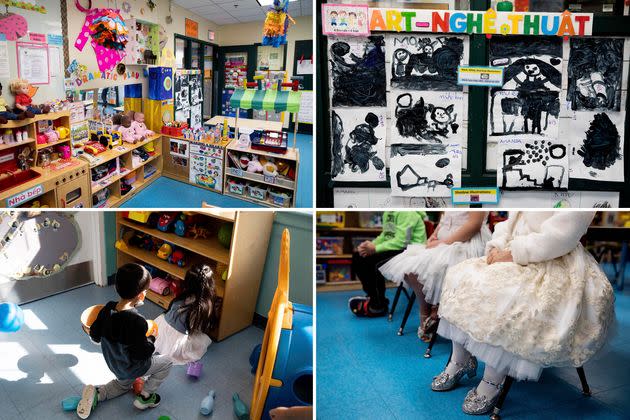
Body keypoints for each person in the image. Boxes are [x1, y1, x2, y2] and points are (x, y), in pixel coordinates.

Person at [431, 211, 615, 415]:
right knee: (461, 276)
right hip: (512, 251)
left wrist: (514, 253)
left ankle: (493, 377)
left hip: (555, 258)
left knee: (507, 295)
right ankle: (460, 359)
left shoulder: (583, 192)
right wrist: (498, 245)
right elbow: (512, 219)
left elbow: (563, 234)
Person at [77, 263, 173, 419]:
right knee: (166, 362)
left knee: (122, 385)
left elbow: (95, 335)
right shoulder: (137, 322)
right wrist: (151, 337)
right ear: (141, 295)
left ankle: (99, 394)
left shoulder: (107, 309)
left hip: (114, 364)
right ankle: (146, 397)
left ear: (116, 287)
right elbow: (142, 354)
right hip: (132, 366)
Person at [379, 211, 490, 341]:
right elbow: (445, 217)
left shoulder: (475, 191)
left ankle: (434, 310)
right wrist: (433, 235)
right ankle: (429, 309)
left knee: (435, 266)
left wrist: (441, 243)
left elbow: (474, 225)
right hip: (443, 240)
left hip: (467, 242)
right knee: (409, 266)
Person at [349, 211, 427, 317]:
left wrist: (375, 249)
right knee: (358, 256)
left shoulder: (407, 213)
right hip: (398, 248)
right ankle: (374, 298)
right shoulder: (388, 212)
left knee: (371, 262)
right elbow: (386, 235)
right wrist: (371, 245)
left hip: (411, 250)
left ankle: (378, 305)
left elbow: (402, 241)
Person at [154, 264, 216, 364]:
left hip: (162, 326)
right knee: (203, 340)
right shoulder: (203, 305)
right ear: (210, 284)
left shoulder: (183, 295)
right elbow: (196, 328)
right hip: (176, 340)